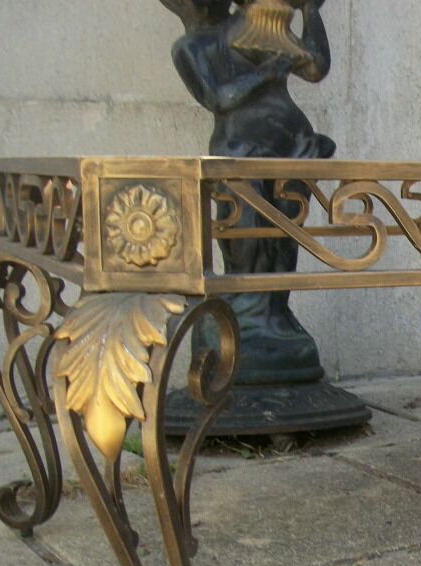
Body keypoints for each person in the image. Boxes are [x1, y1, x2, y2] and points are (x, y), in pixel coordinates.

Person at [164, 0, 335, 384]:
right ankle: (246, 319)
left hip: (291, 147)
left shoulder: (265, 31)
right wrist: (267, 71)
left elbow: (315, 67)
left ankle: (275, 313)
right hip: (239, 154)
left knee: (285, 238)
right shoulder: (192, 47)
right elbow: (218, 98)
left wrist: (311, 13)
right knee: (246, 239)